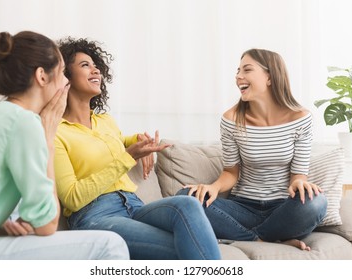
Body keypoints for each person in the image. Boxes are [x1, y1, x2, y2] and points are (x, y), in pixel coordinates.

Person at [54, 37, 221, 260]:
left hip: (134, 205)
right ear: (65, 77)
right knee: (185, 245)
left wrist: (140, 140)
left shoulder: (105, 121)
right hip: (95, 215)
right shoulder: (56, 133)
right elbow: (72, 198)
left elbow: (119, 140)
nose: (95, 70)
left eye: (96, 65)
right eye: (85, 65)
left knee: (188, 204)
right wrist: (128, 156)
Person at [0, 31, 129, 260]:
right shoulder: (25, 123)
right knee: (111, 245)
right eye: (61, 73)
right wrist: (47, 137)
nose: (66, 81)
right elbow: (46, 224)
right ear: (42, 77)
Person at [178, 48, 327, 250]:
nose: (239, 76)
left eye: (247, 70)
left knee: (316, 202)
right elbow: (231, 172)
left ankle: (239, 235)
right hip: (242, 207)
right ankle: (264, 241)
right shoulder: (231, 119)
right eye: (238, 71)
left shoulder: (300, 119)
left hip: (282, 209)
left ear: (270, 77)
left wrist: (300, 184)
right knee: (185, 196)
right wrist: (212, 187)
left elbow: (298, 175)